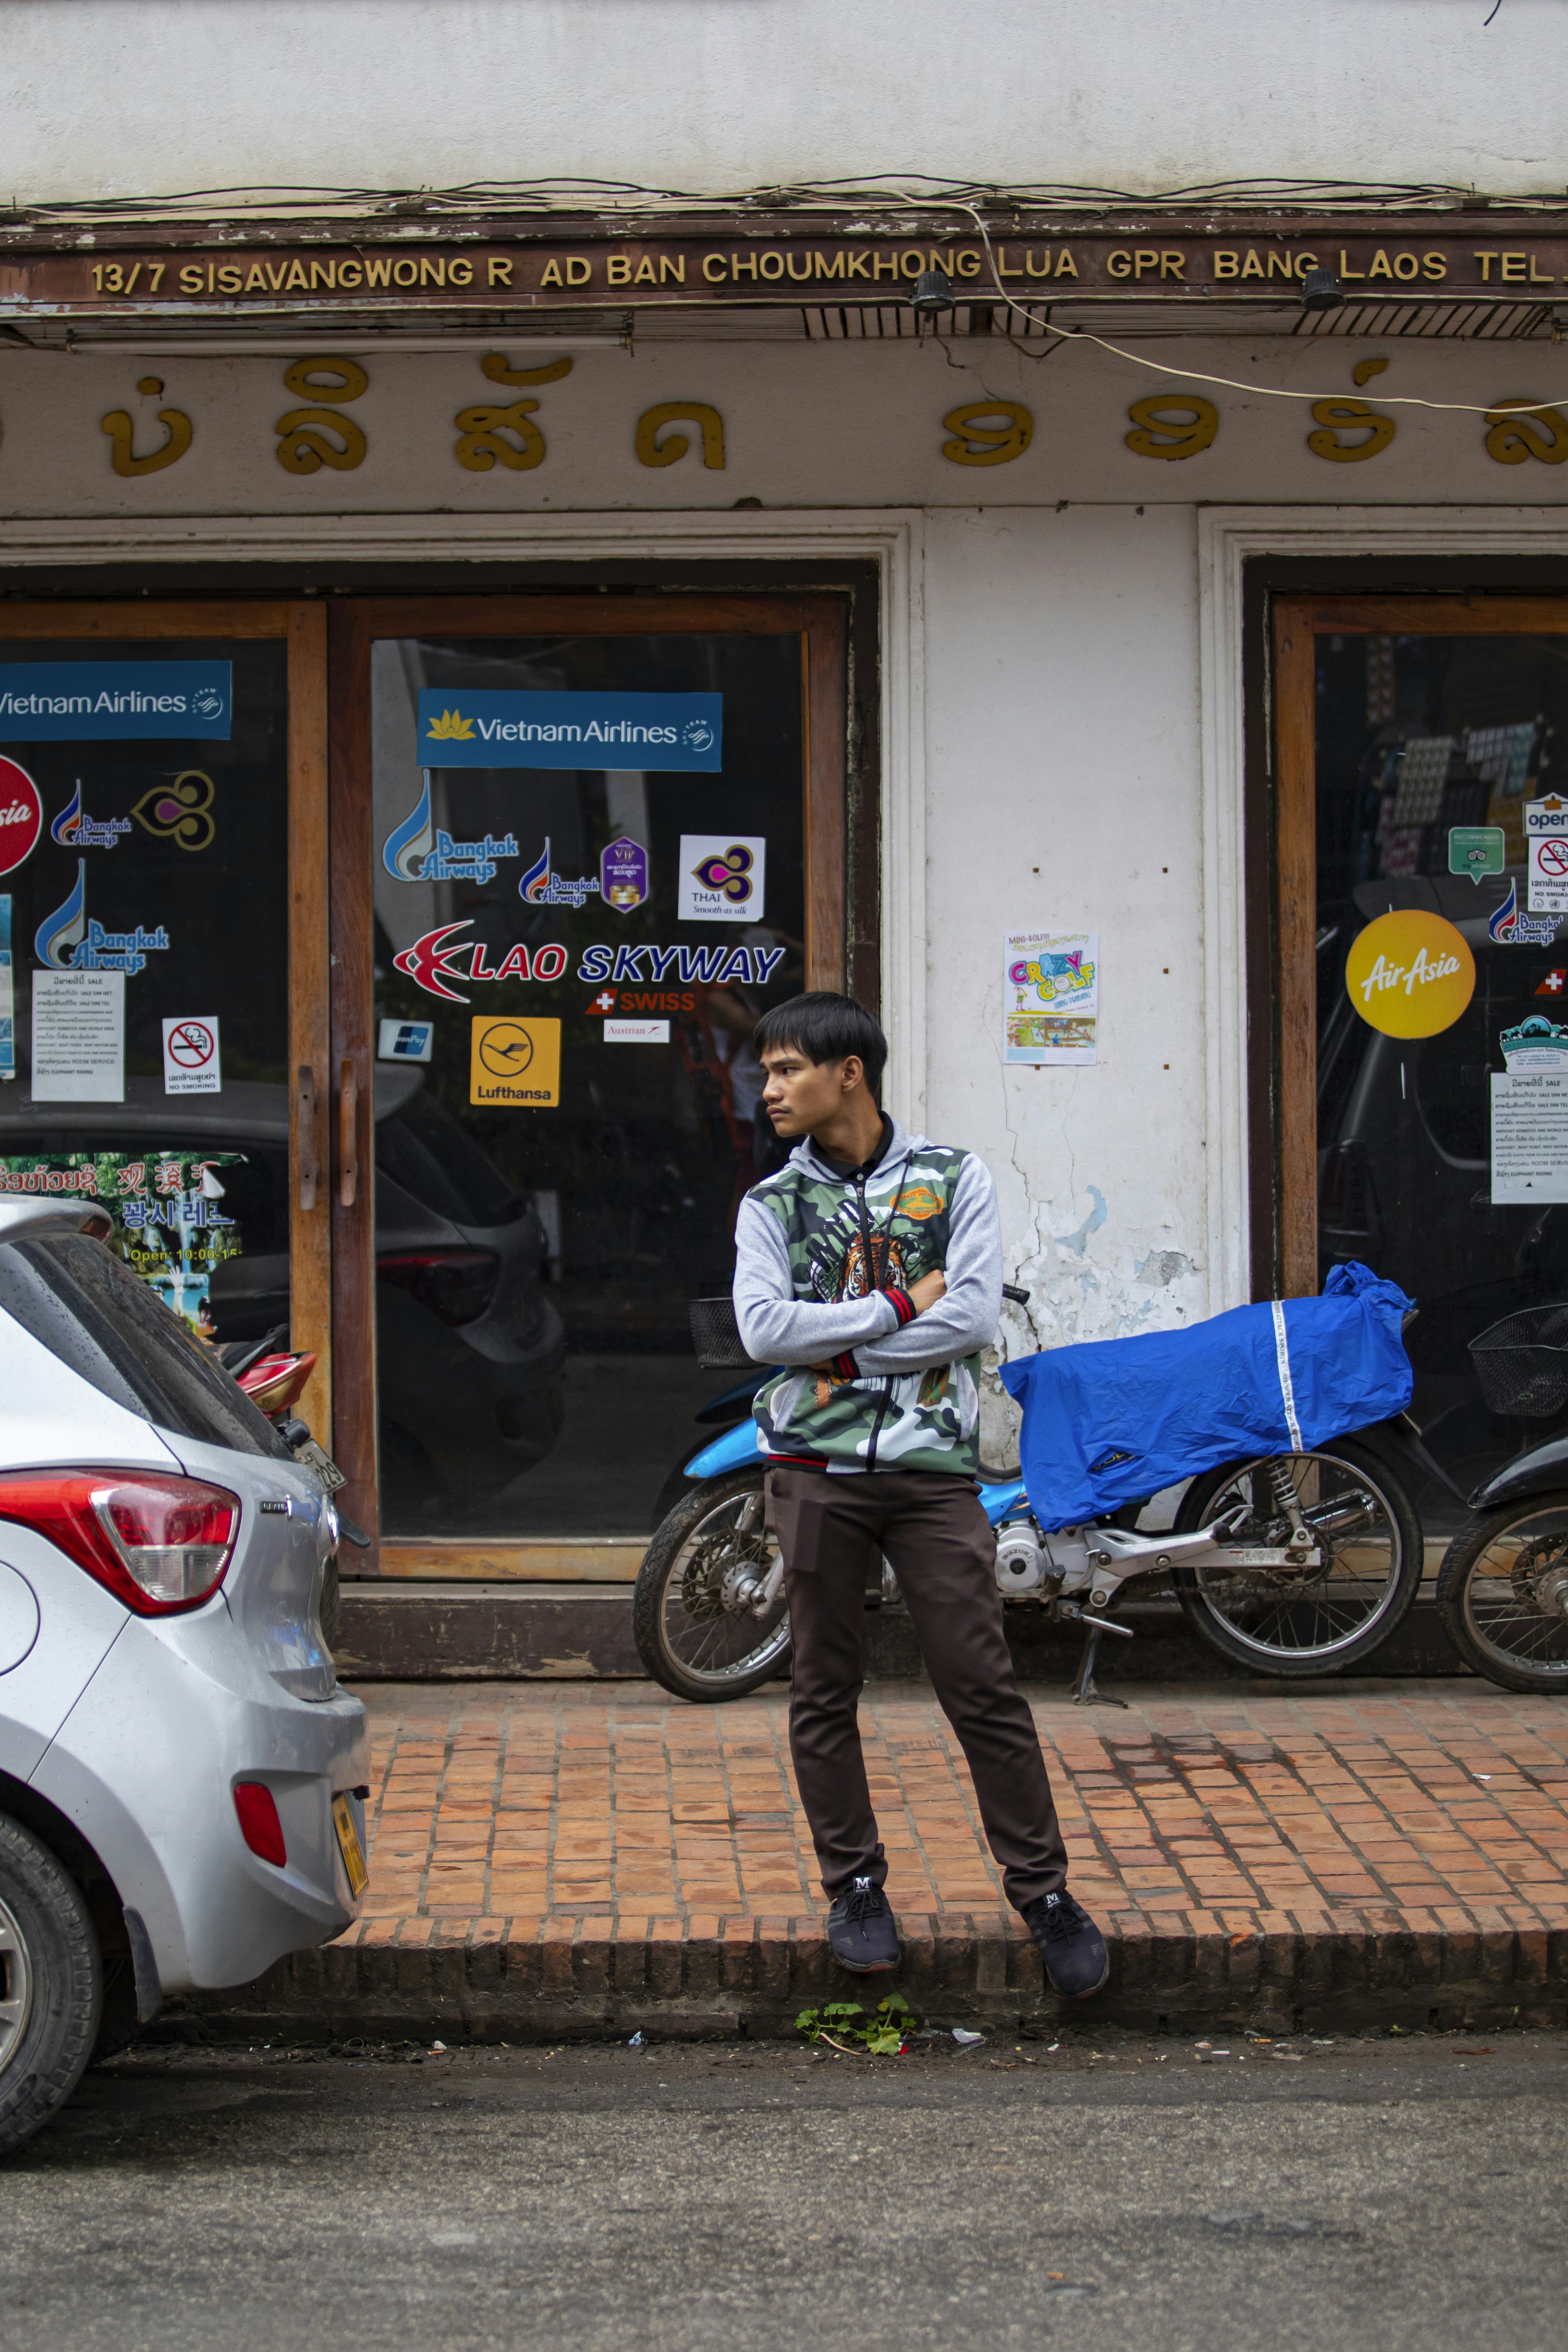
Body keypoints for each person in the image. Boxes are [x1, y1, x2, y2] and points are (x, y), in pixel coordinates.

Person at [733, 991, 1108, 1998]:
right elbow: (765, 1333)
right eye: (765, 1073)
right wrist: (901, 1303)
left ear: (846, 1073)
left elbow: (974, 1318)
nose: (768, 1090)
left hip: (931, 1472)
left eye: (785, 1071)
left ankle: (1044, 1893)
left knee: (979, 1682)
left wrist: (838, 1341)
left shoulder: (955, 1179)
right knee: (823, 1686)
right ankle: (853, 1884)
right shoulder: (769, 1205)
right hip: (812, 1473)